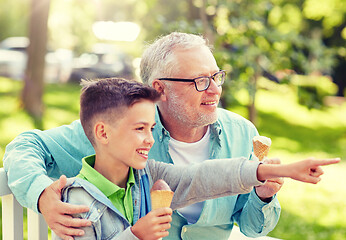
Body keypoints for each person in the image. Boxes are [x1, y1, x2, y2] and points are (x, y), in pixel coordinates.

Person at [0, 32, 333, 240]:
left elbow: (249, 224)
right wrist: (41, 195)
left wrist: (265, 192)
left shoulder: (242, 134)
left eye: (217, 76)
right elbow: (25, 145)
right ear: (159, 89)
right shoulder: (122, 134)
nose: (215, 89)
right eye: (200, 80)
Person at [55, 77, 339, 240]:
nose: (150, 139)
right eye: (139, 129)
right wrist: (136, 235)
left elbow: (203, 177)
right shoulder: (78, 202)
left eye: (151, 128)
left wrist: (276, 170)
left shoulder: (146, 175)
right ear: (103, 133)